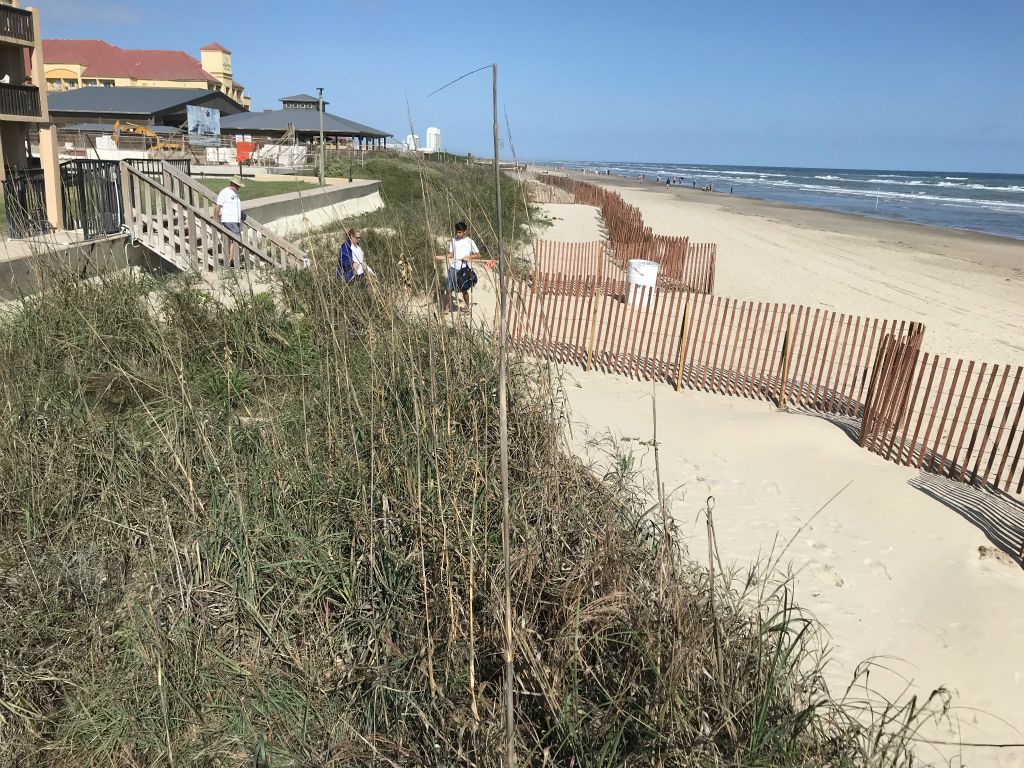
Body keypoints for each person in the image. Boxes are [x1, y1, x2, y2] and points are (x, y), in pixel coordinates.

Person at [435, 221, 485, 314]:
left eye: (460, 232)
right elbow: (451, 254)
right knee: (449, 289)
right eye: (457, 232)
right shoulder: (453, 240)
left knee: (463, 290)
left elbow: (478, 255)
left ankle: (467, 307)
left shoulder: (470, 242)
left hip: (463, 269)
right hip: (453, 268)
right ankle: (446, 309)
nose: (458, 234)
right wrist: (441, 257)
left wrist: (468, 257)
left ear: (464, 231)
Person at [214, 177, 244, 268]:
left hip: (235, 219)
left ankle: (230, 259)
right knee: (236, 236)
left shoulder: (235, 193)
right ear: (233, 184)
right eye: (237, 185)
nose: (238, 187)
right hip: (229, 219)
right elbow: (218, 206)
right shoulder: (224, 192)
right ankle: (232, 259)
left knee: (232, 239)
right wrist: (216, 220)